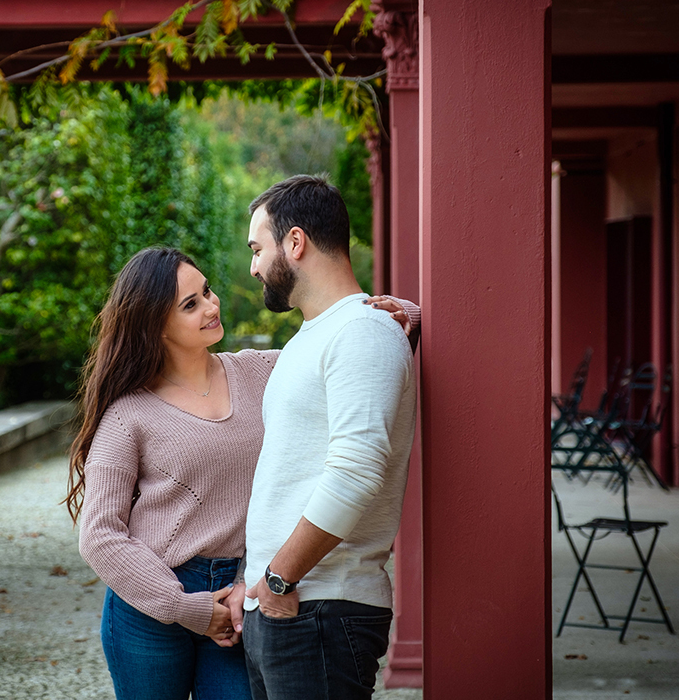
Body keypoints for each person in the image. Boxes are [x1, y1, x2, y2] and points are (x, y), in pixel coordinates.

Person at [68, 246, 417, 700]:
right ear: (156, 325)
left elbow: (343, 347)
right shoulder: (127, 413)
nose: (211, 306)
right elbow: (99, 534)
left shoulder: (263, 370)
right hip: (149, 603)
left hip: (240, 594)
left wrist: (404, 315)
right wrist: (184, 606)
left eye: (207, 291)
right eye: (190, 305)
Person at [230, 175, 418, 700]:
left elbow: (356, 472)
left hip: (319, 607)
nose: (253, 267)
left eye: (257, 249)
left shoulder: (362, 332)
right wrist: (259, 584)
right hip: (287, 605)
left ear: (295, 242)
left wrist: (279, 578)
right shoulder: (317, 335)